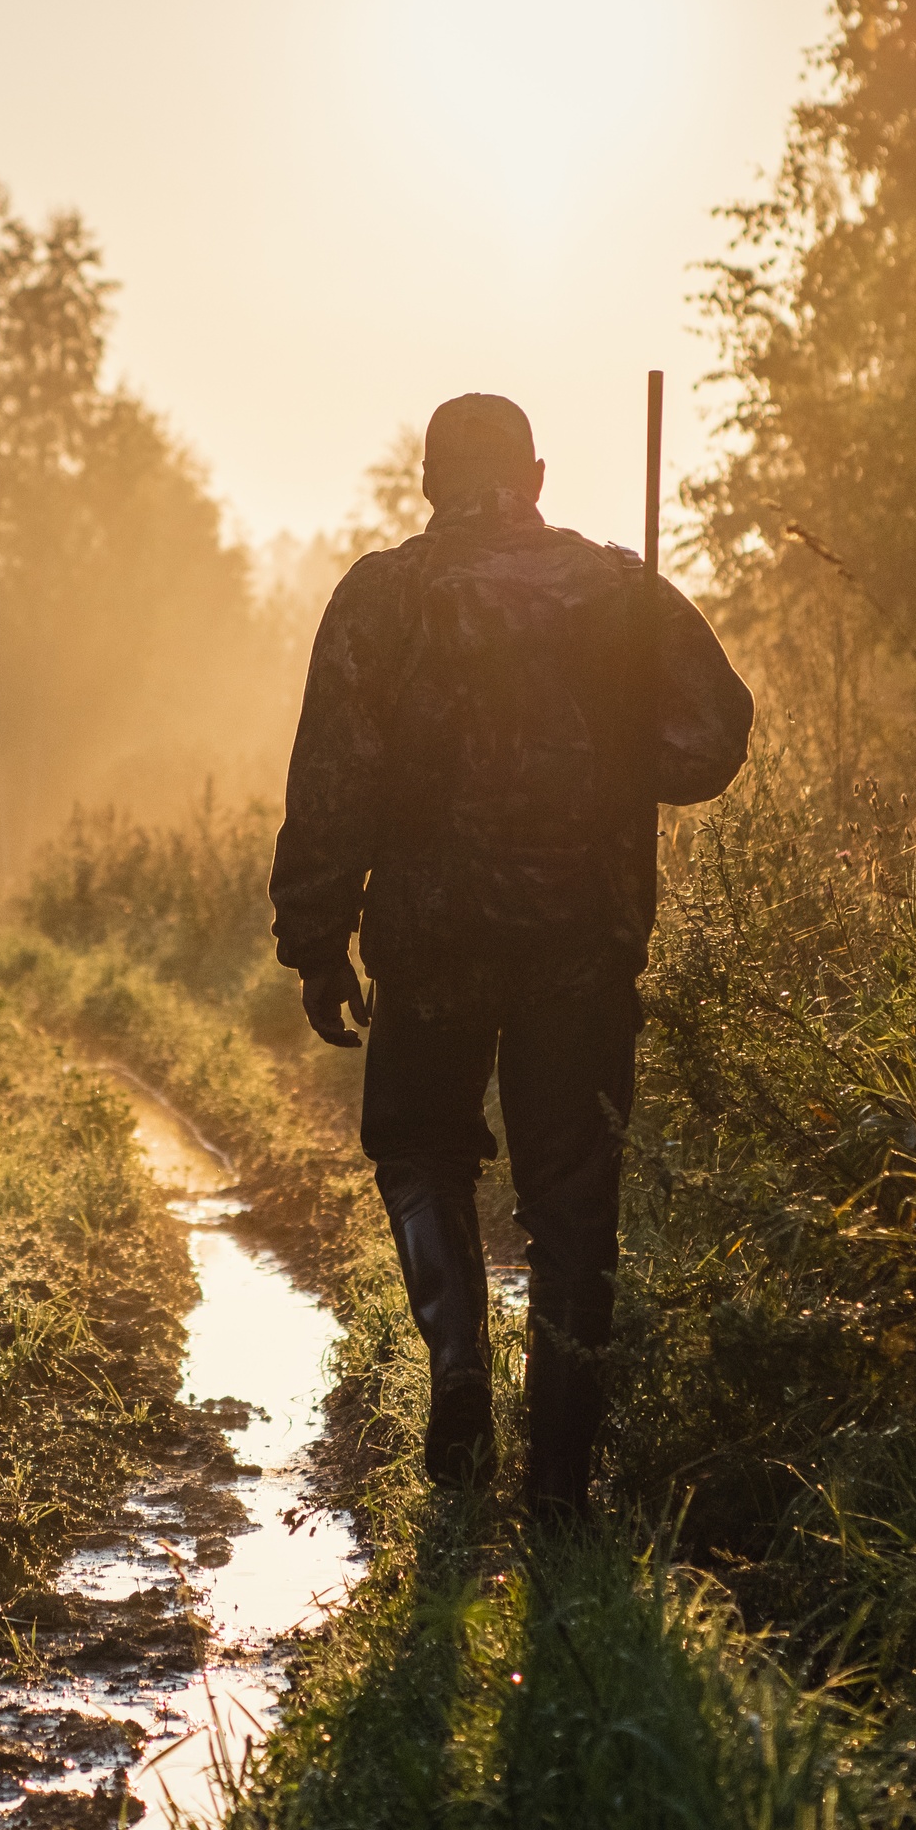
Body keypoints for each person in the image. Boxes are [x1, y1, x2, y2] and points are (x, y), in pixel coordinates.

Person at [269, 393, 752, 1514]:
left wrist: (317, 936)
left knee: (421, 1148)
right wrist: (616, 741)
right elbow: (711, 737)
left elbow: (335, 774)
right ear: (535, 474)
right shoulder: (621, 589)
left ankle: (458, 1373)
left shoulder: (381, 597)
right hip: (581, 942)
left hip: (431, 942)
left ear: (429, 479)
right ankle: (561, 1486)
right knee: (575, 1198)